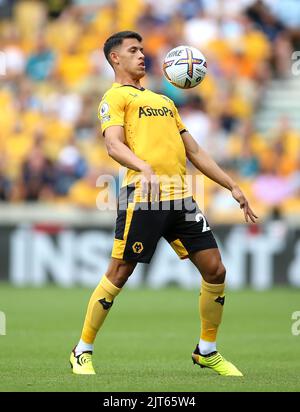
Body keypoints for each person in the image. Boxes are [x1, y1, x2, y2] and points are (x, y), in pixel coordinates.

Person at [69, 31, 258, 376]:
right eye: (133, 50)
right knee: (120, 272)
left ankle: (207, 350)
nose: (142, 54)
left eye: (142, 49)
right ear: (115, 58)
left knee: (216, 270)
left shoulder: (165, 102)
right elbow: (113, 145)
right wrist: (142, 166)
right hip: (143, 195)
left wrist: (232, 185)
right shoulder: (114, 98)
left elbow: (195, 151)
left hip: (180, 198)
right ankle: (82, 349)